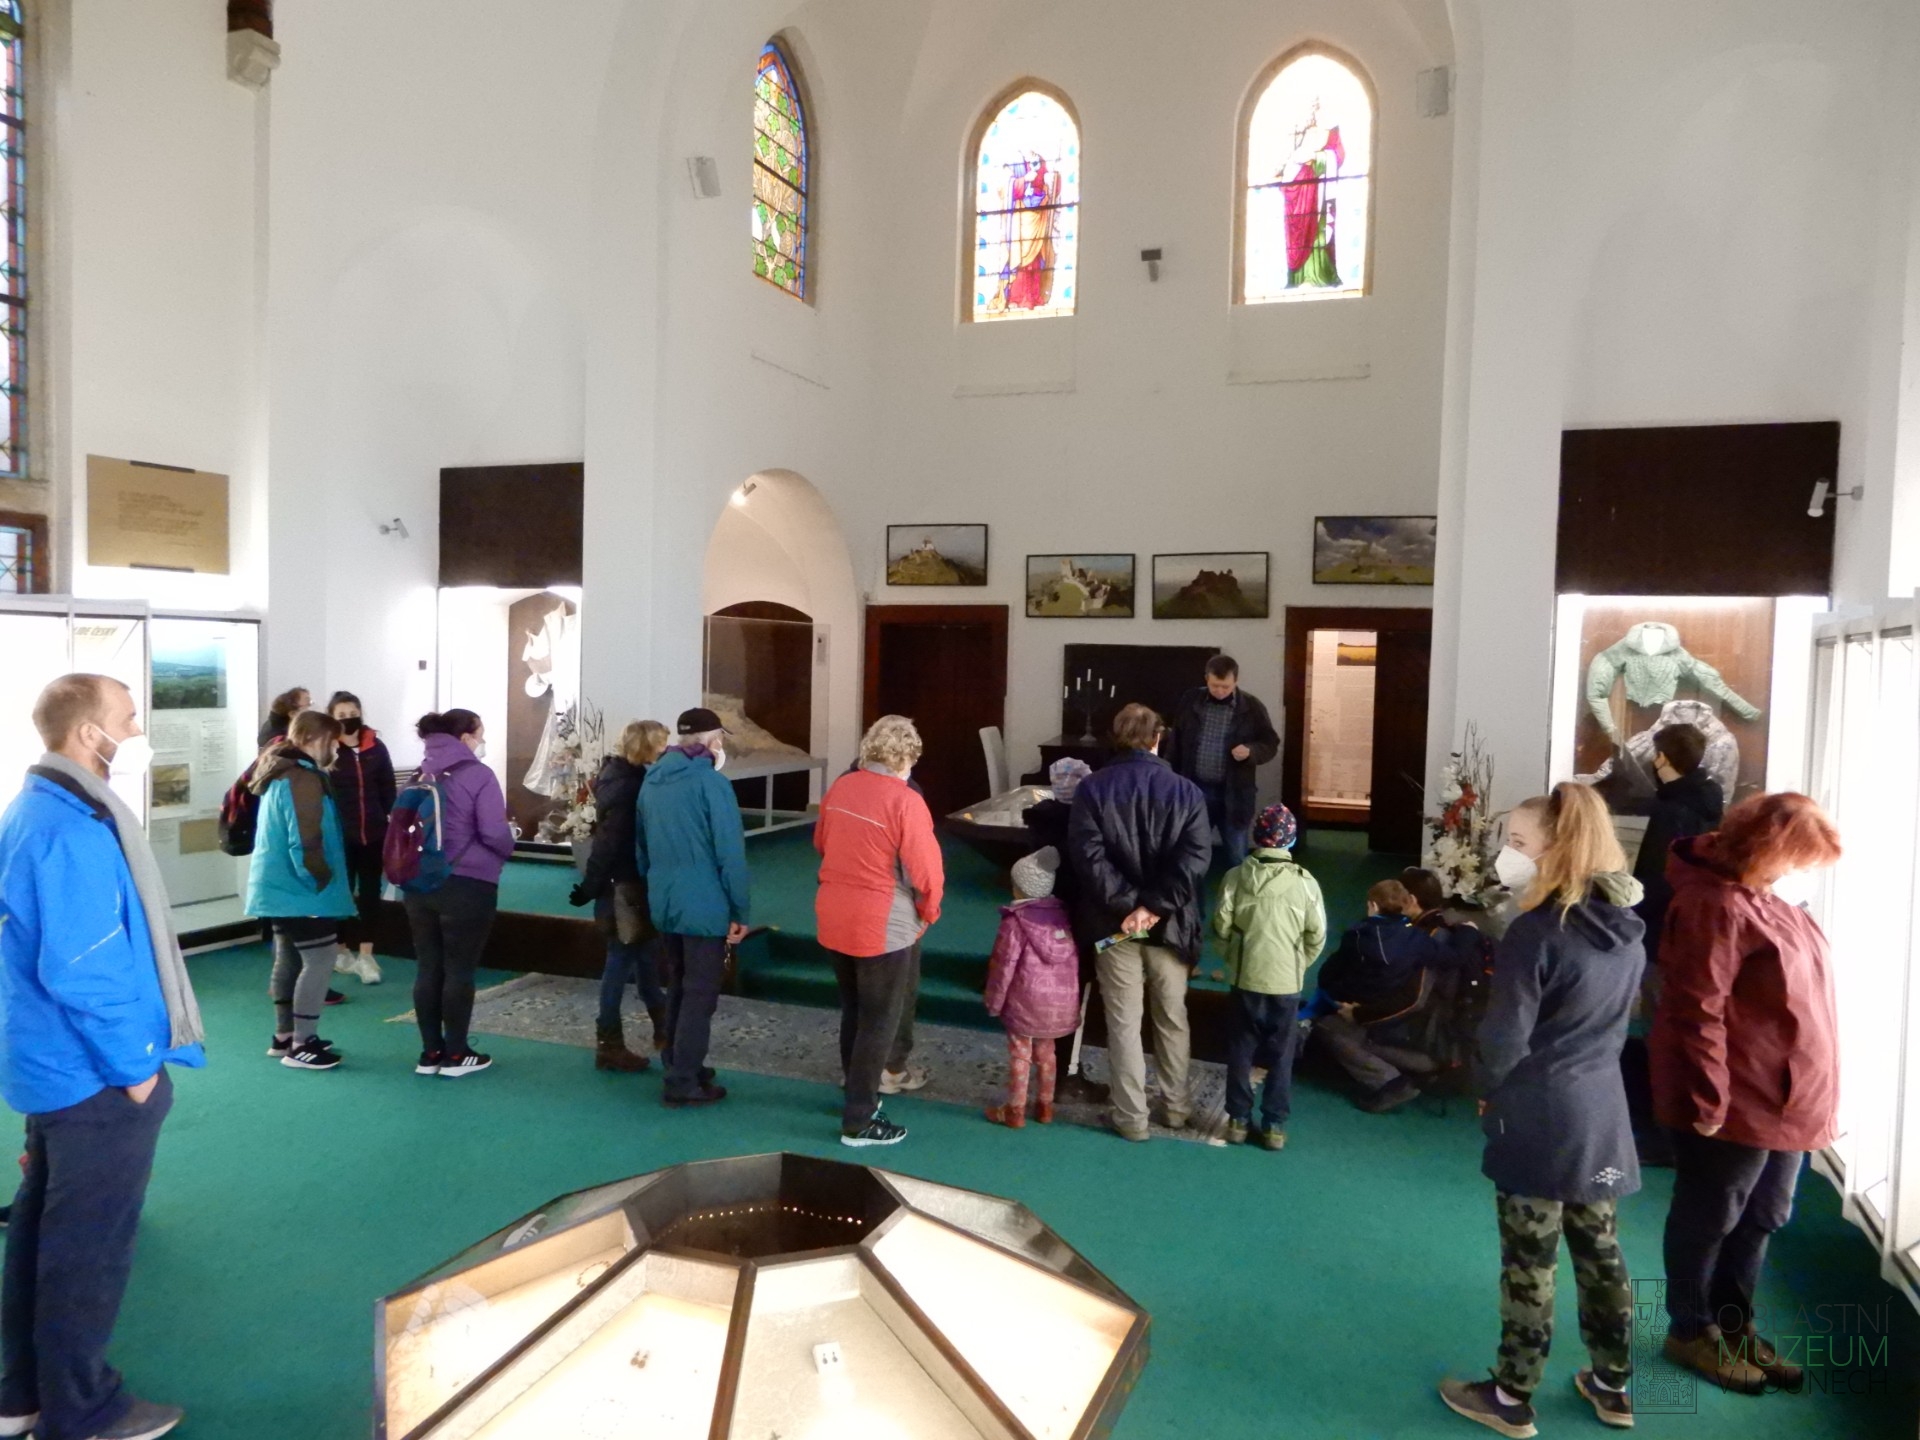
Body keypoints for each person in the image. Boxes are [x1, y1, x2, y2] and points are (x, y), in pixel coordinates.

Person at [0, 674, 205, 1440]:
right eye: (128, 718)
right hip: (91, 1078)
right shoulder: (70, 830)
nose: (137, 731)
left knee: (41, 1233)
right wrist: (137, 1071)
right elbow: (84, 969)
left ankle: (21, 1396)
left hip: (50, 1066)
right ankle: (80, 1410)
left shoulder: (38, 810)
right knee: (86, 1248)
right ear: (90, 733)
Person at [1440, 782, 1645, 1436]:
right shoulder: (1627, 929)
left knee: (1530, 1263)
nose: (1507, 854)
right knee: (1602, 1253)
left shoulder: (1535, 932)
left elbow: (1504, 1038)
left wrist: (1485, 1087)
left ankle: (1510, 1396)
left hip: (1538, 1116)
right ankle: (1613, 1385)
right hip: (1602, 1117)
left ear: (1556, 850)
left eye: (1518, 842)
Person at [1650, 792, 1842, 1396]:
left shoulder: (1769, 899)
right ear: (1767, 850)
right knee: (1710, 1215)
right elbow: (1696, 1010)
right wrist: (1709, 1098)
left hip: (1786, 1099)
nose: (1802, 872)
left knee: (1763, 1215)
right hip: (1734, 1098)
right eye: (1798, 859)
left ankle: (1734, 1325)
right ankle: (1691, 1330)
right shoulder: (1713, 904)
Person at [1068, 703, 1211, 1141]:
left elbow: (1088, 859)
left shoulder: (1092, 788)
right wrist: (1153, 907)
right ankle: (1176, 1108)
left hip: (1114, 925)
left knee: (1124, 1022)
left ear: (1117, 737)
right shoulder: (1186, 791)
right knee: (1172, 1017)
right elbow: (1195, 860)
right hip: (1170, 925)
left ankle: (1131, 1118)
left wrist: (1130, 908)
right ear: (1157, 738)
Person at [815, 716, 944, 1147]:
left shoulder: (841, 788)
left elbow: (821, 843)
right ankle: (859, 1119)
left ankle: (855, 1096)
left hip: (834, 912)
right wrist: (928, 913)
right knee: (879, 1020)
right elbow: (926, 873)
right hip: (880, 922)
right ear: (908, 757)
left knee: (854, 1011)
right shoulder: (906, 800)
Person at [636, 707, 749, 1109]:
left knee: (680, 987)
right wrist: (740, 910)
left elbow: (641, 847)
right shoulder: (711, 784)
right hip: (704, 903)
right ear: (713, 740)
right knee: (700, 995)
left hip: (665, 899)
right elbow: (730, 854)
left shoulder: (652, 780)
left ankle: (680, 1062)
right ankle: (683, 1080)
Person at [405, 709, 515, 1078]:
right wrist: (507, 848)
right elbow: (494, 832)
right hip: (468, 883)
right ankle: (456, 1054)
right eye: (480, 734)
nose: (483, 741)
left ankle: (430, 1053)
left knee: (428, 966)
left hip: (419, 883)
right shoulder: (479, 775)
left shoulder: (420, 773)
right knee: (459, 969)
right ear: (466, 737)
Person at [247, 710, 357, 1071]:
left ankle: (285, 1036)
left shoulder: (278, 770)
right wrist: (320, 880)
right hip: (301, 889)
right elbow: (305, 839)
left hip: (278, 888)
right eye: (333, 742)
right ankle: (303, 1044)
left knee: (289, 957)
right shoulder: (302, 778)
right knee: (320, 959)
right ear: (315, 739)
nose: (336, 750)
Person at [1212, 804, 1324, 1149]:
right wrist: (1297, 964)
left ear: (1256, 837)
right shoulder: (1306, 883)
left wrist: (1235, 959)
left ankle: (1237, 1120)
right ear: (1291, 840)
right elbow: (1317, 935)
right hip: (1286, 983)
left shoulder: (1235, 877)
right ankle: (1274, 1124)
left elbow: (1221, 927)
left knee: (1240, 1049)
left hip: (1246, 977)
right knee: (1281, 1054)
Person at [568, 719, 671, 1071]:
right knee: (621, 960)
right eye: (661, 744)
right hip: (624, 885)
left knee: (644, 955)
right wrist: (590, 885)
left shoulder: (616, 776)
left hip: (624, 883)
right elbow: (609, 843)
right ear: (647, 747)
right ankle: (609, 1043)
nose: (666, 750)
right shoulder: (631, 787)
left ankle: (663, 1027)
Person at [1312, 878, 1452, 1112]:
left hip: (1413, 1036)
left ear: (1411, 900)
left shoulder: (1373, 936)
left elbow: (1412, 1001)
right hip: (1433, 1033)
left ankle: (1390, 1081)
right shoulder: (1432, 937)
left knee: (1327, 1027)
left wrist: (1358, 1013)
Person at [1022, 757, 1104, 1100]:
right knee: (1075, 997)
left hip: (1042, 922)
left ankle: (1045, 1070)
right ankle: (1067, 1073)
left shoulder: (1039, 821)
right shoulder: (1086, 824)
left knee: (1046, 996)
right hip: (1078, 920)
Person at [983, 849, 1080, 1129]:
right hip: (1057, 1006)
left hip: (1024, 1003)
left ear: (1020, 887)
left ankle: (1014, 1110)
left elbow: (1003, 966)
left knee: (1020, 1054)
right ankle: (1045, 1106)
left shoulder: (1015, 922)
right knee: (1047, 1053)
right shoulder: (1064, 918)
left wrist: (993, 1002)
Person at [1165, 655, 1279, 869]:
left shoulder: (1252, 707)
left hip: (1235, 793)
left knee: (1237, 854)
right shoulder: (1190, 700)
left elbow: (1270, 743)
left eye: (1225, 686)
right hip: (1195, 789)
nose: (1219, 691)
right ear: (1206, 679)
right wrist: (1170, 777)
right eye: (1214, 685)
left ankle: (1240, 888)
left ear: (1236, 681)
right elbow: (1175, 741)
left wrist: (1251, 751)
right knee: (1189, 853)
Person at [1631, 722, 1724, 948]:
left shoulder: (1669, 811)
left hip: (1660, 924)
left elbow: (1654, 874)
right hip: (1695, 917)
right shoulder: (1709, 800)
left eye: (1656, 755)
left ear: (1662, 758)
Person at [325, 690, 396, 986]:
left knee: (370, 894)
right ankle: (341, 950)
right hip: (340, 836)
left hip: (374, 834)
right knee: (341, 893)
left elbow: (388, 788)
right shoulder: (328, 749)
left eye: (352, 713)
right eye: (341, 715)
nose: (348, 719)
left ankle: (367, 955)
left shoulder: (376, 747)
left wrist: (390, 820)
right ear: (332, 718)